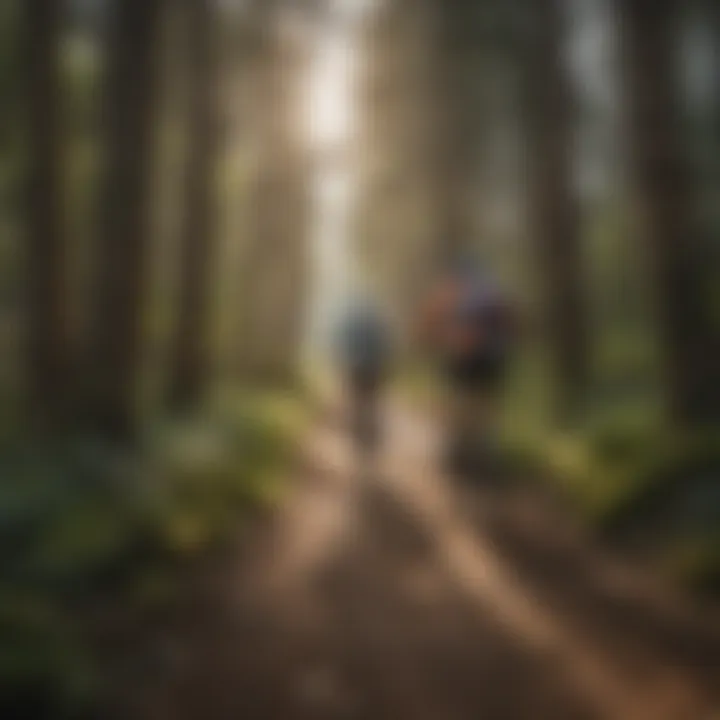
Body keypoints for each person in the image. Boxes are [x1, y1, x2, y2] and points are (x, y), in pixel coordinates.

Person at [418, 256, 517, 475]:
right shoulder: (492, 291)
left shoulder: (449, 291)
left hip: (462, 359)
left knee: (457, 402)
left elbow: (431, 322)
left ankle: (458, 452)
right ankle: (484, 453)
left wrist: (436, 342)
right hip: (492, 360)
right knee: (483, 405)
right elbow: (510, 324)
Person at [334, 296, 392, 464]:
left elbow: (344, 343)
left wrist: (343, 362)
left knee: (358, 401)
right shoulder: (379, 325)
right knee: (370, 402)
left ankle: (359, 435)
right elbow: (387, 347)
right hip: (374, 368)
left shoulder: (354, 323)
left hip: (358, 367)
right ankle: (368, 435)